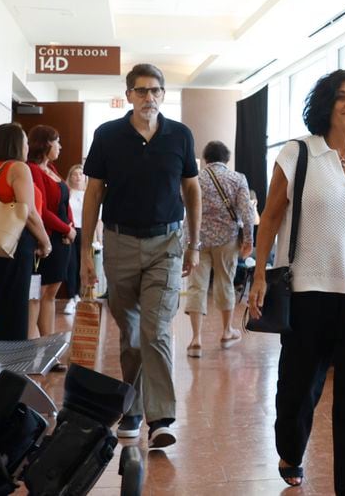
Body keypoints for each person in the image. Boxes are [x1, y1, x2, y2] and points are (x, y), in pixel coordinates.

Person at [247, 69, 345, 494]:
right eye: (341, 96)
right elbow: (269, 217)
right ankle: (290, 448)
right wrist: (258, 275)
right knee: (297, 391)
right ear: (326, 104)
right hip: (306, 292)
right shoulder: (298, 153)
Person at [81, 63, 201, 450]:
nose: (150, 97)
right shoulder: (107, 135)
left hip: (166, 245)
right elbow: (94, 193)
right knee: (130, 335)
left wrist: (194, 244)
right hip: (118, 244)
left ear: (164, 95)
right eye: (142, 91)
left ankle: (161, 418)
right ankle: (131, 407)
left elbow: (192, 191)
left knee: (155, 329)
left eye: (156, 91)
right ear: (129, 94)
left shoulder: (180, 136)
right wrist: (86, 250)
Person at [184, 141, 253, 358]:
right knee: (225, 282)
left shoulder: (195, 178)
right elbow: (247, 212)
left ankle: (196, 339)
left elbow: (184, 208)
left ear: (205, 159)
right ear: (227, 158)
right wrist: (249, 239)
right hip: (227, 239)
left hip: (198, 240)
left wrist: (187, 242)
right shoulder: (237, 178)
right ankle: (226, 332)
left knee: (197, 286)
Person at [0, 123, 52, 341]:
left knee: (1, 302)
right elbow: (29, 211)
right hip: (17, 241)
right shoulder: (18, 168)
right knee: (16, 307)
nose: (27, 147)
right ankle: (13, 365)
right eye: (24, 141)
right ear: (16, 144)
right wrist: (45, 241)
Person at [27, 125, 75, 355]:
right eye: (57, 142)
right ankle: (38, 346)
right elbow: (42, 210)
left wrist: (70, 227)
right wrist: (66, 228)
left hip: (62, 239)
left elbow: (65, 202)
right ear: (45, 144)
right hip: (46, 239)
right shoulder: (33, 170)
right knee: (39, 293)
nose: (60, 147)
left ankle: (49, 347)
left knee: (51, 294)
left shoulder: (52, 168)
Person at [64, 163, 91, 314]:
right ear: (70, 177)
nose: (78, 177)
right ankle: (71, 297)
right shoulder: (67, 192)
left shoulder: (89, 194)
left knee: (83, 264)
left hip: (85, 231)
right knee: (71, 264)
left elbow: (97, 218)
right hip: (71, 231)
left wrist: (98, 238)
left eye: (80, 174)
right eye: (74, 174)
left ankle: (79, 295)